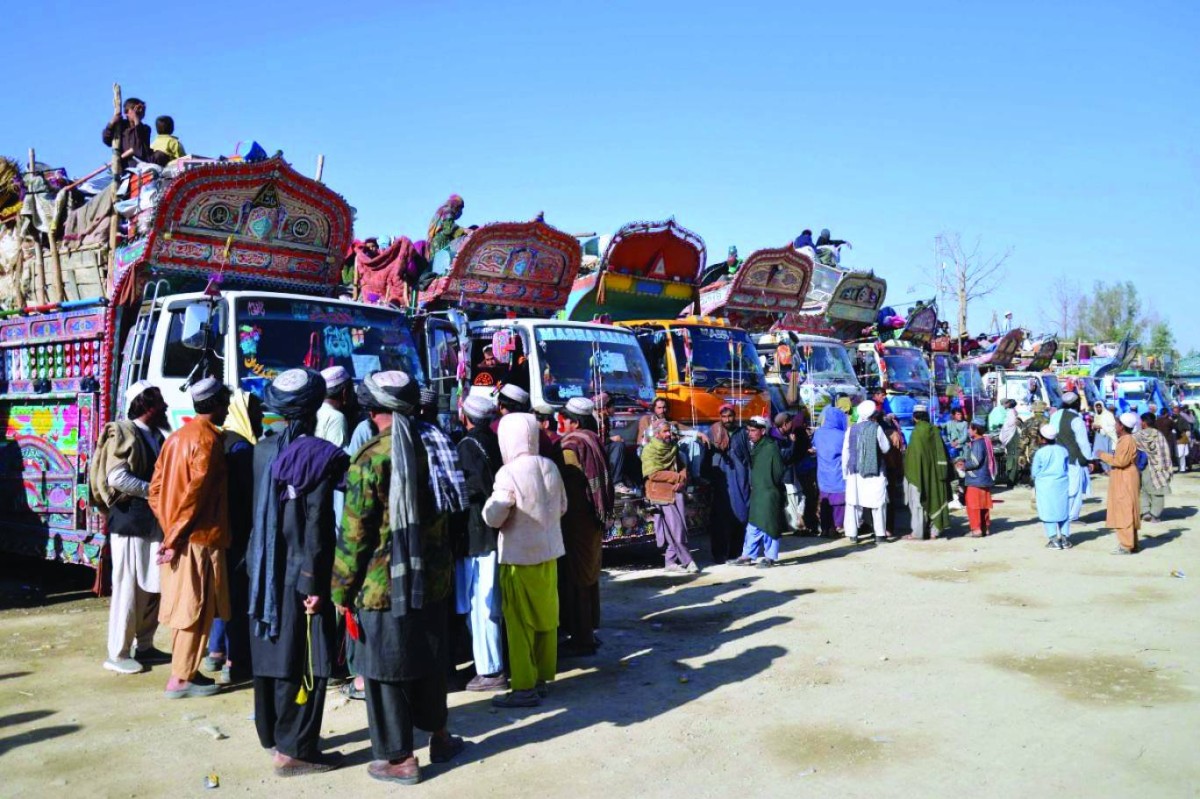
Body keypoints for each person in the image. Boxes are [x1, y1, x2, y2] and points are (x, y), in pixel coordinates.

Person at [331, 372, 467, 785]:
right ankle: (440, 737)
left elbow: (354, 535)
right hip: (433, 581)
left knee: (383, 671)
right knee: (428, 662)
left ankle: (399, 759)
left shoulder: (372, 457)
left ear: (374, 413)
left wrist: (340, 588)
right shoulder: (436, 445)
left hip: (382, 587)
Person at [247, 369, 348, 776]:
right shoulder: (318, 455)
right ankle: (294, 751)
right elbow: (316, 526)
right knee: (305, 659)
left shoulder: (260, 450)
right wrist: (313, 582)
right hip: (298, 574)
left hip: (262, 574)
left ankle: (274, 736)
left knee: (272, 653)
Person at [147, 377, 231, 699]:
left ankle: (185, 673)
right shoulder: (208, 442)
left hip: (180, 536)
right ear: (216, 405)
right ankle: (181, 678)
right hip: (197, 539)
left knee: (185, 608)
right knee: (196, 608)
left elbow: (154, 491)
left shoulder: (176, 438)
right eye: (225, 404)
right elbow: (195, 497)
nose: (226, 410)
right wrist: (175, 535)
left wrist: (169, 528)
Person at [482, 413, 568, 708]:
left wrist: (489, 509)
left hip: (519, 558)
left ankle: (523, 688)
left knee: (519, 625)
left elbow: (496, 515)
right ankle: (541, 679)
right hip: (549, 555)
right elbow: (563, 507)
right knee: (546, 619)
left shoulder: (508, 473)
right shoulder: (550, 467)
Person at [94, 382, 168, 675]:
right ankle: (118, 653)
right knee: (127, 588)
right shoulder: (123, 432)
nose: (165, 407)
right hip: (129, 523)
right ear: (147, 404)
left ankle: (145, 646)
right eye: (160, 402)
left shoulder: (157, 436)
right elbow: (117, 479)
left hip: (151, 522)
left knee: (152, 589)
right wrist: (155, 490)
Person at [204, 389, 261, 684]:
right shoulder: (242, 449)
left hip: (220, 529)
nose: (261, 418)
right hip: (238, 530)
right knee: (237, 596)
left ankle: (216, 651)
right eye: (257, 413)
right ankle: (234, 661)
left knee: (222, 591)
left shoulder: (220, 440)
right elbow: (247, 494)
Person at [454, 395, 506, 692]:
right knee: (489, 603)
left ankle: (490, 671)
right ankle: (487, 663)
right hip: (494, 530)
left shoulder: (466, 447)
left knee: (482, 604)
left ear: (466, 416)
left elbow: (472, 489)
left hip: (477, 534)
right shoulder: (496, 442)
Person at [556, 398, 613, 657]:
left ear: (574, 422)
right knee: (589, 574)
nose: (562, 425)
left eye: (564, 420)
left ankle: (582, 638)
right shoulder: (593, 439)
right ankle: (588, 629)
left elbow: (571, 487)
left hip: (576, 519)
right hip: (593, 518)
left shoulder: (572, 445)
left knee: (578, 576)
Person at [641, 419, 697, 573]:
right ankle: (688, 561)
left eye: (669, 431)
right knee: (676, 528)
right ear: (657, 434)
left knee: (679, 528)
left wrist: (682, 480)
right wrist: (676, 477)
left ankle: (670, 562)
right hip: (660, 492)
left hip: (676, 490)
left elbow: (682, 466)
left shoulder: (673, 447)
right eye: (665, 431)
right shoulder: (649, 450)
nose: (669, 434)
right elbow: (653, 473)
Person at [736, 416, 786, 566]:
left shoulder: (771, 447)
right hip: (758, 492)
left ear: (763, 431)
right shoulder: (756, 447)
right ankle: (748, 555)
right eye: (748, 430)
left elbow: (778, 472)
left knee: (769, 524)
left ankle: (770, 557)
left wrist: (770, 485)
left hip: (770, 492)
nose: (750, 433)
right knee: (754, 524)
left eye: (753, 430)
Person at [705, 404, 752, 561]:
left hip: (740, 481)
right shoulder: (713, 432)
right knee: (720, 519)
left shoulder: (742, 433)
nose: (727, 420)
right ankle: (719, 554)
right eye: (724, 417)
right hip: (721, 483)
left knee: (740, 516)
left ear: (735, 416)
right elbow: (706, 457)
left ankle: (736, 553)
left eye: (730, 416)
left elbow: (749, 457)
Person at [842, 401, 891, 543]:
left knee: (854, 504)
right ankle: (880, 535)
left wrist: (845, 472)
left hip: (854, 473)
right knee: (878, 503)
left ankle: (853, 535)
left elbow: (845, 453)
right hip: (874, 472)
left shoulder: (851, 430)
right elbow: (886, 448)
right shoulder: (877, 428)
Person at [902, 406, 952, 540]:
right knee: (936, 497)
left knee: (918, 502)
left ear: (914, 417)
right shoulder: (935, 430)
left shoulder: (916, 432)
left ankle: (917, 533)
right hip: (936, 473)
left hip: (918, 473)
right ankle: (934, 532)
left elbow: (913, 456)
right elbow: (942, 452)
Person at [1098, 413, 1141, 554]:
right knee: (1126, 508)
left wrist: (1102, 455)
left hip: (1125, 477)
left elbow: (1121, 461)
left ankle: (1126, 544)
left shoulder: (1126, 440)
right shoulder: (1126, 439)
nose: (1115, 426)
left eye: (1117, 424)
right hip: (1125, 476)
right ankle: (1131, 543)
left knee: (1124, 510)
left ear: (1122, 426)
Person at [1049, 392, 1092, 521]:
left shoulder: (1055, 416)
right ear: (1077, 403)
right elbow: (1083, 443)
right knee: (1075, 488)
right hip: (1074, 459)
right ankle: (1072, 516)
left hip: (1057, 457)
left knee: (1061, 487)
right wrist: (1088, 460)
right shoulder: (1076, 419)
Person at [1031, 424, 1072, 549]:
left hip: (1045, 485)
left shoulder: (1040, 453)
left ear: (1042, 438)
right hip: (1062, 483)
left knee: (1047, 511)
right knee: (1063, 510)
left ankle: (1053, 539)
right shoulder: (1063, 450)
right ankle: (1064, 539)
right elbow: (1066, 467)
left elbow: (1034, 472)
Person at [813, 406, 848, 537]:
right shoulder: (842, 435)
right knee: (838, 503)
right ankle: (836, 527)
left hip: (822, 473)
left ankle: (825, 528)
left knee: (825, 503)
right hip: (838, 473)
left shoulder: (818, 433)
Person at [960, 421, 996, 537]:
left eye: (970, 429)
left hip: (975, 479)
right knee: (983, 505)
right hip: (984, 478)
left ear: (975, 430)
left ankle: (976, 529)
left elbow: (975, 462)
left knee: (973, 505)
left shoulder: (977, 443)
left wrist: (963, 466)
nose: (968, 431)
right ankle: (985, 528)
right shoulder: (985, 441)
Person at [594, 392, 636, 494]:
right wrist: (612, 439)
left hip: (603, 446)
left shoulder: (605, 419)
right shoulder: (595, 419)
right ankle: (616, 482)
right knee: (618, 446)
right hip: (595, 449)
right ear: (604, 408)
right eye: (613, 407)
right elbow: (594, 439)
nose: (615, 409)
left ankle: (632, 482)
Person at [1135, 412, 1172, 524]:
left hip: (1143, 468)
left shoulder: (1138, 435)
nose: (1140, 423)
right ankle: (1154, 515)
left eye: (1141, 421)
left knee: (1143, 490)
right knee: (1158, 492)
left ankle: (1145, 512)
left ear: (1145, 422)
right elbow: (1165, 453)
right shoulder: (1158, 435)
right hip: (1158, 468)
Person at [102, 97, 153, 169]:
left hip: (140, 165)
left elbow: (140, 138)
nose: (140, 112)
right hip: (123, 166)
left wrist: (136, 118)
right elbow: (106, 140)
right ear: (126, 113)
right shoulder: (121, 127)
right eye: (136, 110)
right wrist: (111, 123)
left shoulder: (145, 128)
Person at [315, 366, 353, 447]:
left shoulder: (314, 411)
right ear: (345, 393)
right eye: (352, 390)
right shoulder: (336, 418)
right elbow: (337, 457)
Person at [998, 399, 1020, 487]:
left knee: (1012, 459)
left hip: (1011, 438)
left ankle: (1010, 479)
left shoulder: (1010, 413)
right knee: (1013, 459)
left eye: (1006, 403)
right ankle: (1011, 479)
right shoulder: (1013, 412)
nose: (1004, 404)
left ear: (1009, 404)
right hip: (1011, 438)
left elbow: (1008, 425)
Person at [1092, 401, 1117, 474]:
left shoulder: (1115, 419)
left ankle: (1109, 470)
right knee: (1102, 454)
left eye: (1113, 410)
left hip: (1110, 439)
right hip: (1102, 438)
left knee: (1110, 454)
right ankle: (1106, 470)